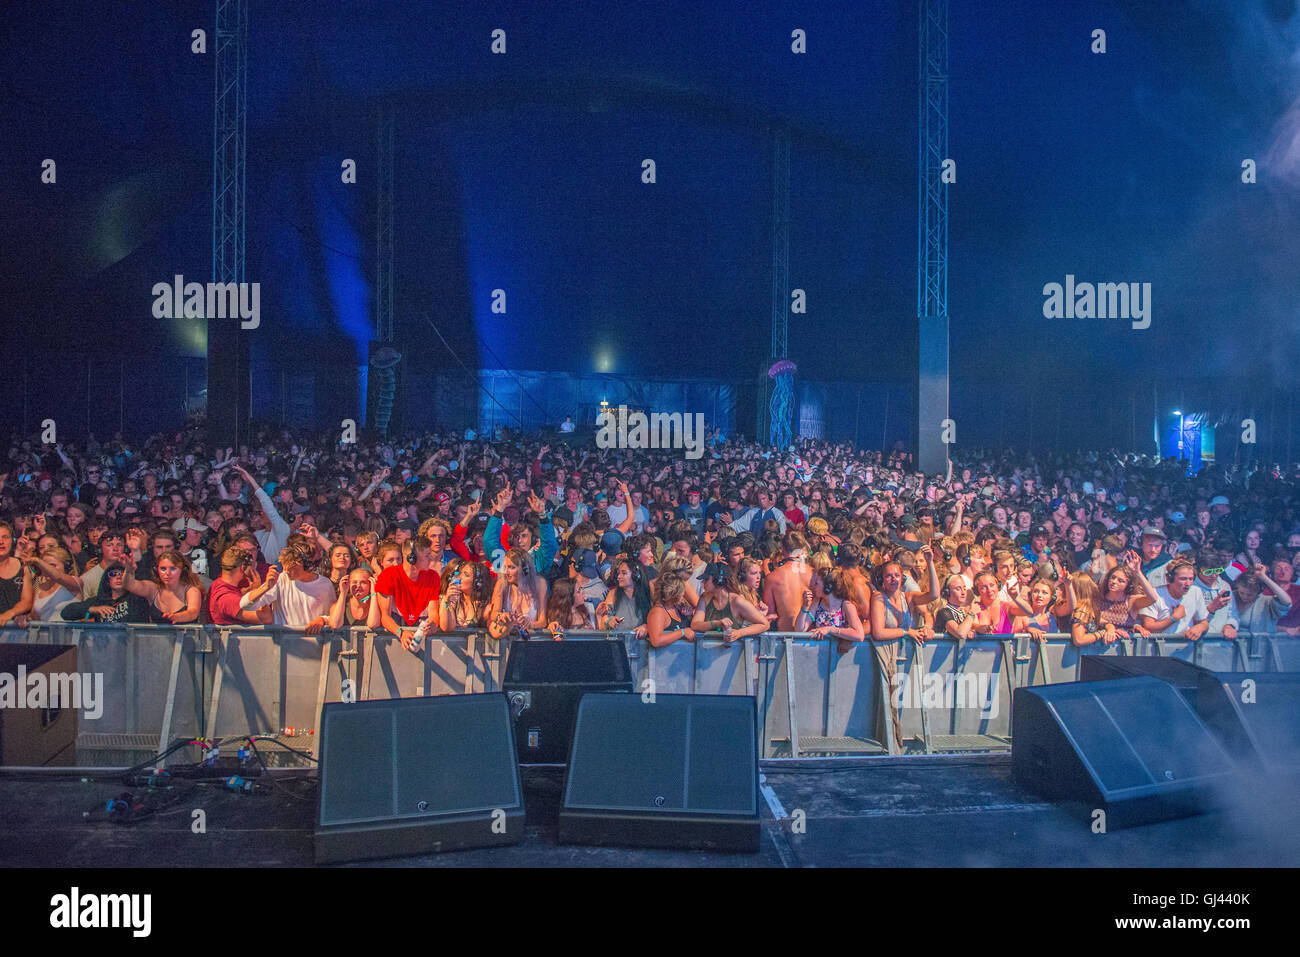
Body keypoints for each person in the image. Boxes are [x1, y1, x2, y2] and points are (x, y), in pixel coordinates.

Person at [239, 544, 335, 633]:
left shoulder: (325, 585)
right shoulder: (281, 579)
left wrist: (323, 619)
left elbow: (333, 616)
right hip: (284, 644)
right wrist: (265, 587)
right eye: (284, 567)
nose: (286, 571)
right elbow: (246, 605)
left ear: (308, 566)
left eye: (292, 567)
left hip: (315, 643)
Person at [370, 536, 443, 648]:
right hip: (393, 639)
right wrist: (401, 632)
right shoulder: (388, 576)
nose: (431, 559)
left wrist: (433, 624)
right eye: (427, 555)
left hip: (420, 636)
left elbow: (433, 613)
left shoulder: (433, 576)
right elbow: (385, 617)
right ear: (411, 558)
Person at [1138, 559, 1217, 641]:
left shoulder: (1196, 592)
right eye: (1183, 579)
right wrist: (1173, 618)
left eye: (1191, 579)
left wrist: (1200, 627)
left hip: (1185, 649)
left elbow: (1204, 622)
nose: (1188, 584)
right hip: (1159, 647)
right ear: (1170, 578)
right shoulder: (1154, 594)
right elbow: (1148, 626)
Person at [792, 565, 864, 653]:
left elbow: (859, 635)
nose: (814, 587)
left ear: (827, 587)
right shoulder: (817, 603)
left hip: (841, 657)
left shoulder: (846, 605)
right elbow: (800, 630)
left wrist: (829, 629)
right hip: (821, 655)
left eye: (817, 583)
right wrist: (805, 607)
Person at [692, 562, 770, 643]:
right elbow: (695, 625)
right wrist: (716, 623)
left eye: (706, 579)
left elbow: (765, 624)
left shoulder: (736, 601)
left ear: (718, 580)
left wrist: (739, 633)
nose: (703, 582)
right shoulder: (704, 597)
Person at [122, 550, 204, 624]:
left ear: (182, 570)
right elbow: (129, 585)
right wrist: (129, 570)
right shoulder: (153, 589)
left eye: (173, 569)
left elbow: (193, 613)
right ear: (156, 570)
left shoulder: (191, 590)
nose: (167, 573)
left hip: (186, 639)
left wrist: (176, 617)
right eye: (163, 569)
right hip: (158, 639)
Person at [487, 548, 548, 639]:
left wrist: (529, 625)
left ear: (524, 569)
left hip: (532, 642)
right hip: (507, 641)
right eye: (505, 567)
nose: (507, 572)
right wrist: (503, 616)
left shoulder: (540, 583)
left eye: (512, 567)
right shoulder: (501, 583)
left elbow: (543, 622)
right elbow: (493, 614)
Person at [596, 555, 652, 637]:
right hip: (618, 643)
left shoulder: (648, 593)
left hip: (640, 644)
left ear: (636, 575)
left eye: (624, 573)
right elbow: (604, 621)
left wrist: (646, 626)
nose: (618, 577)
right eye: (619, 573)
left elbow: (656, 620)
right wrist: (610, 621)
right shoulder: (613, 594)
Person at [645, 574, 696, 648]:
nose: (684, 595)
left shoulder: (677, 607)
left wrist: (689, 615)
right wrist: (682, 632)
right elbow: (656, 641)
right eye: (682, 593)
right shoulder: (658, 612)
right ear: (674, 594)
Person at [0, 522, 34, 627]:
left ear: (12, 540)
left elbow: (27, 601)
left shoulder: (23, 567)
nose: (1, 542)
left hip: (16, 633)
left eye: (5, 537)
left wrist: (9, 614)